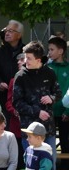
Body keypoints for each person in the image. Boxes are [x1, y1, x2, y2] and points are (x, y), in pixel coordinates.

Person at [13, 41, 62, 170]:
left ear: (38, 60)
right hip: (29, 131)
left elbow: (58, 93)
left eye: (29, 58)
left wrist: (51, 98)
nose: (25, 61)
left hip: (48, 129)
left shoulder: (49, 73)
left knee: (50, 165)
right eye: (25, 57)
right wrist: (37, 112)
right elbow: (17, 103)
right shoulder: (20, 76)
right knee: (31, 164)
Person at [0, 20, 24, 128]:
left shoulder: (26, 51)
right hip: (3, 96)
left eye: (11, 31)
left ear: (19, 35)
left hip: (22, 96)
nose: (7, 33)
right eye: (6, 31)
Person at [47, 36, 69, 166]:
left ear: (61, 51)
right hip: (48, 112)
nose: (49, 52)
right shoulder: (46, 68)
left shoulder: (68, 68)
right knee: (48, 142)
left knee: (66, 142)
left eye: (51, 49)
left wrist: (68, 110)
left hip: (65, 112)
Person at [5, 53, 26, 170]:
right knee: (17, 159)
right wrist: (15, 111)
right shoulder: (13, 80)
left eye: (22, 59)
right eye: (18, 60)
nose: (19, 62)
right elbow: (8, 102)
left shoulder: (37, 79)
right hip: (16, 125)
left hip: (31, 124)